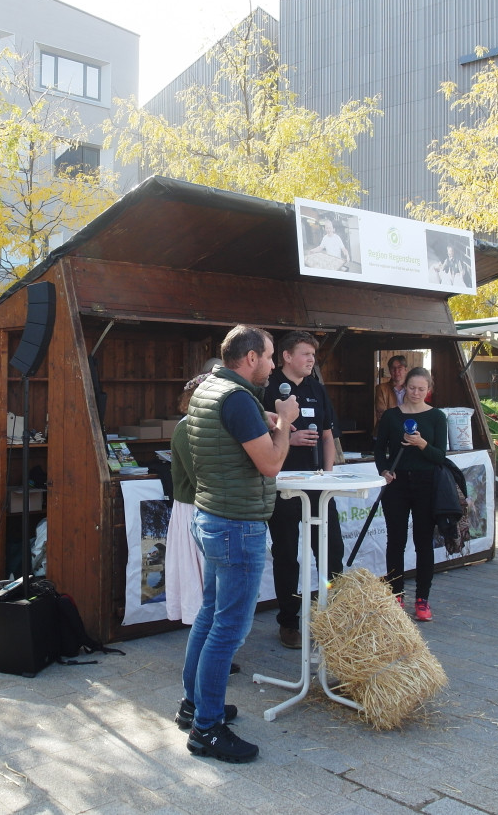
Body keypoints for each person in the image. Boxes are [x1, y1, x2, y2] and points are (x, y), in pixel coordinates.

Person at [180, 325, 297, 763]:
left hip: (212, 515)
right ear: (250, 358)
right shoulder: (238, 398)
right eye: (268, 357)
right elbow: (269, 464)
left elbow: (224, 443)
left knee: (210, 617)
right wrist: (285, 422)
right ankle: (206, 729)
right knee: (228, 629)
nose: (272, 364)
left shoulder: (210, 389)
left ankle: (194, 705)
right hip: (237, 524)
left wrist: (265, 420)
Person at [261, 331, 341, 649]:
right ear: (286, 356)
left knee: (331, 551)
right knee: (286, 555)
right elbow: (253, 438)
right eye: (305, 353)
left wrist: (329, 476)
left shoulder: (317, 389)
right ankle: (288, 622)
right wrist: (286, 438)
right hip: (282, 486)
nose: (311, 359)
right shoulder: (266, 389)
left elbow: (327, 436)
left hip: (318, 486)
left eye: (313, 355)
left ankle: (333, 615)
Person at [374, 366, 449, 622]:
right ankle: (396, 594)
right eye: (412, 387)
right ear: (404, 387)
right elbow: (379, 449)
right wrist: (384, 470)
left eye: (421, 388)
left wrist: (422, 444)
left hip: (427, 483)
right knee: (396, 539)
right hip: (397, 484)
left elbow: (441, 456)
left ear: (429, 390)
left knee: (423, 541)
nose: (416, 392)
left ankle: (422, 599)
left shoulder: (437, 416)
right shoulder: (391, 416)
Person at [165, 373, 209, 627]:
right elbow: (200, 478)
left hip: (206, 508)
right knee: (200, 582)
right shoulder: (187, 428)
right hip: (195, 511)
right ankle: (206, 654)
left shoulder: (205, 426)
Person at [374, 355, 408, 425]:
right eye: (393, 368)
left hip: (408, 429)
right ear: (389, 370)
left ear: (405, 370)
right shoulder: (381, 388)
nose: (396, 371)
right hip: (386, 430)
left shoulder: (412, 388)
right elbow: (381, 415)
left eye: (399, 368)